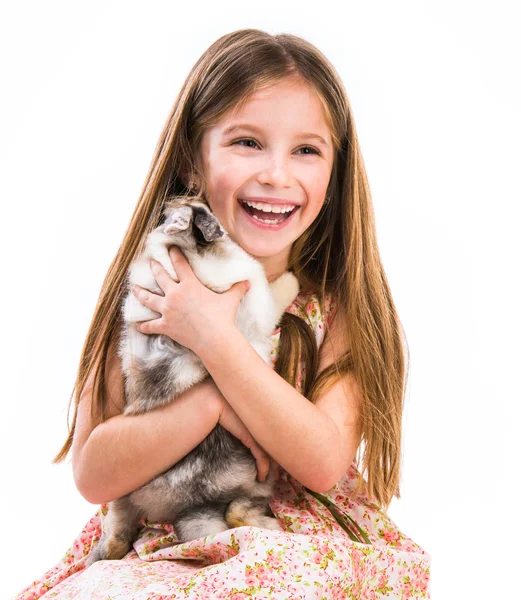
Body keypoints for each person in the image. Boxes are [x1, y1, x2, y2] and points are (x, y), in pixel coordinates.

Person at [16, 28, 431, 600]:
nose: (277, 174)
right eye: (247, 142)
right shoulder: (157, 290)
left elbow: (321, 462)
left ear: (334, 176)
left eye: (306, 150)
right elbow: (94, 475)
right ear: (191, 157)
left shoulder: (332, 312)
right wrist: (211, 403)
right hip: (168, 544)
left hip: (289, 545)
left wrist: (216, 339)